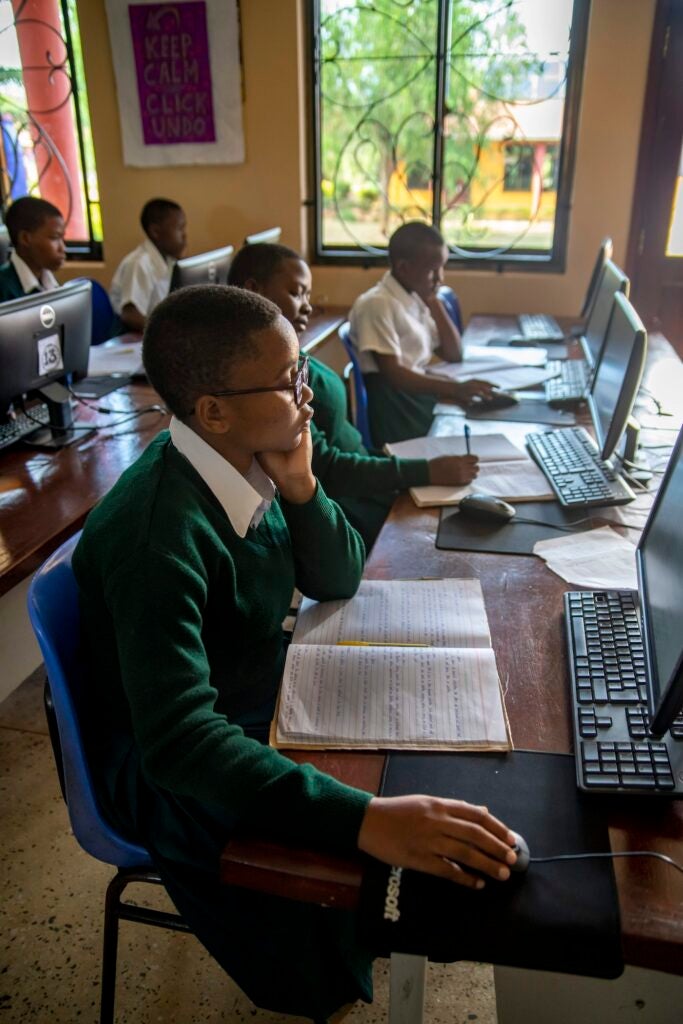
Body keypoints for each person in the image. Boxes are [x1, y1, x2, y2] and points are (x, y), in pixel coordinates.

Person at [72, 285, 518, 1021]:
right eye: (288, 380)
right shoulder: (157, 533)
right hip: (171, 765)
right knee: (358, 839)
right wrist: (362, 820)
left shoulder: (247, 458)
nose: (307, 391)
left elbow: (336, 576)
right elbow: (179, 742)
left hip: (258, 687)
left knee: (430, 755)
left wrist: (304, 486)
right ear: (212, 410)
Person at [228, 243, 479, 549]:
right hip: (342, 504)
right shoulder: (272, 376)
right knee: (438, 538)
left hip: (365, 480)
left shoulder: (293, 352)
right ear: (254, 290)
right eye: (296, 293)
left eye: (308, 295)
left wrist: (406, 465)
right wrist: (424, 470)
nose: (308, 306)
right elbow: (327, 469)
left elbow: (345, 447)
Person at [350, 221, 495, 446]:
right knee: (474, 435)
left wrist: (433, 301)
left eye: (442, 267)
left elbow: (453, 353)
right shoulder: (377, 304)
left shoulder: (413, 298)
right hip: (399, 410)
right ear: (404, 268)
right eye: (433, 270)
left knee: (483, 423)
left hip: (418, 395)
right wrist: (455, 388)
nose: (441, 278)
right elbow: (395, 374)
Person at [109, 197, 187, 332]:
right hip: (129, 337)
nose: (185, 235)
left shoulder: (169, 261)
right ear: (155, 232)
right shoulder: (139, 263)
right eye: (180, 229)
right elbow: (131, 315)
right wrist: (165, 333)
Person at [0, 195, 65, 301]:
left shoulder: (48, 281)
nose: (62, 248)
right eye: (54, 238)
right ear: (25, 238)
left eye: (62, 238)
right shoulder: (4, 289)